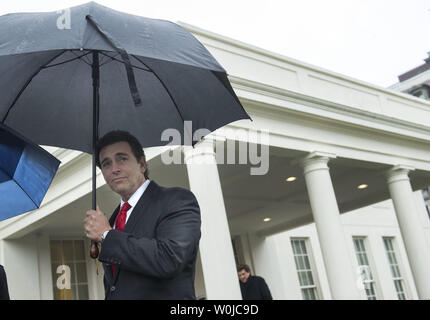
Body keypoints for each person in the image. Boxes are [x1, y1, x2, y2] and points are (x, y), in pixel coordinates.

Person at [84, 130, 201, 300]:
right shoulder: (112, 220)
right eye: (106, 164)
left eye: (122, 159)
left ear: (142, 164)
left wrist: (107, 235)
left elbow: (169, 259)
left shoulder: (177, 200)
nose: (114, 169)